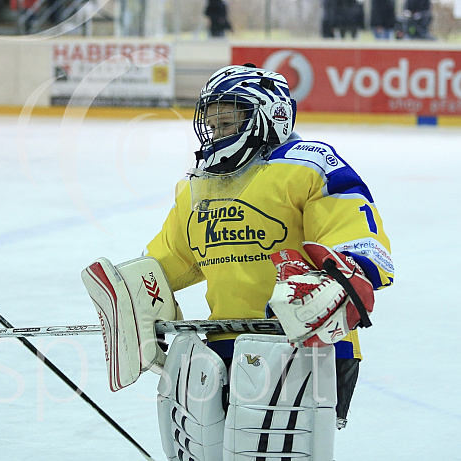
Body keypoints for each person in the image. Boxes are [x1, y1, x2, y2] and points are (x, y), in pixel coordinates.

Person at [83, 64, 394, 459]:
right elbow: (172, 258)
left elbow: (354, 232)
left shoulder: (308, 165)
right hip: (220, 349)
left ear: (271, 115)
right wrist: (133, 296)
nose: (217, 130)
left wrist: (350, 272)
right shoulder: (199, 186)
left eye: (230, 118)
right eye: (212, 122)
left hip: (306, 345)